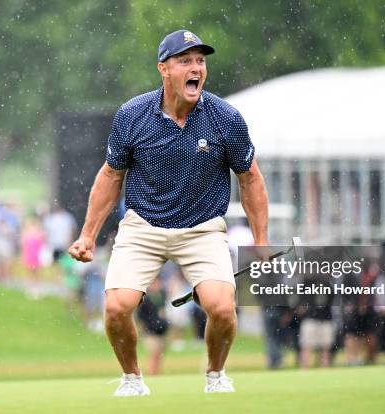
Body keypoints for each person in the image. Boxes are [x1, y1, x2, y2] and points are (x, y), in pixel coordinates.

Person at [68, 29, 268, 396]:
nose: (196, 68)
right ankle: (131, 379)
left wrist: (260, 242)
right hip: (142, 227)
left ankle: (215, 374)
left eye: (201, 61)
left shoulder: (227, 118)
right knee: (116, 307)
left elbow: (251, 179)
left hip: (203, 229)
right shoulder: (132, 115)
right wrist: (87, 235)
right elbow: (111, 175)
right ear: (164, 68)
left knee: (222, 309)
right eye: (186, 61)